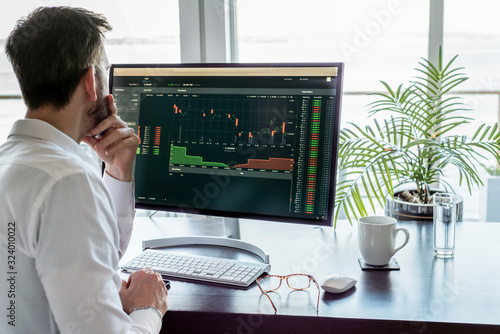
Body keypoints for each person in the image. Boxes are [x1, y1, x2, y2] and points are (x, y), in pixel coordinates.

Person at [0, 6, 168, 334]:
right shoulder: (67, 181)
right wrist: (149, 308)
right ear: (91, 81)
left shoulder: (12, 163)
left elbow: (84, 260)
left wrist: (118, 171)